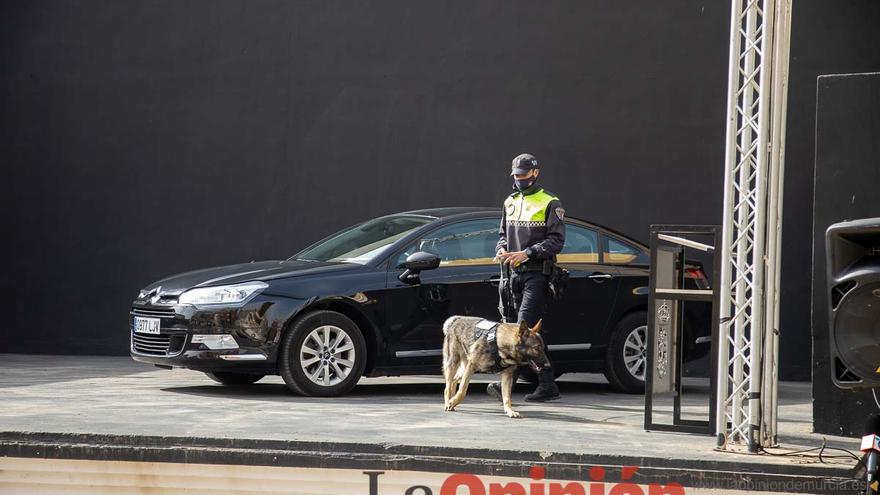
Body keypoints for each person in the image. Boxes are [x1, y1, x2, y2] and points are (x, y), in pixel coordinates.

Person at [489, 153, 565, 402]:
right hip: (513, 275)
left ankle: (522, 383)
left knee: (521, 330)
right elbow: (502, 233)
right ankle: (545, 383)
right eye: (516, 175)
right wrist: (501, 249)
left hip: (537, 275)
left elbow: (556, 241)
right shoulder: (509, 201)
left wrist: (526, 253)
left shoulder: (550, 202)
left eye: (524, 175)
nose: (519, 179)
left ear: (535, 173)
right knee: (519, 328)